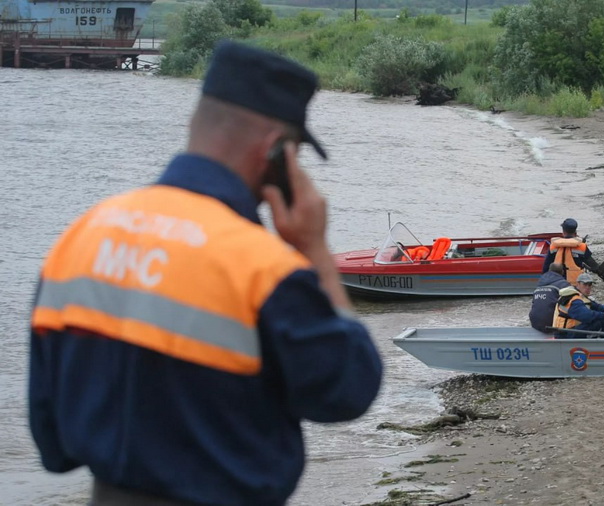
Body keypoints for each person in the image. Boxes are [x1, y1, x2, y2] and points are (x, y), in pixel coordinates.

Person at [28, 41, 383, 505]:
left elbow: (50, 440)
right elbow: (348, 388)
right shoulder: (263, 267)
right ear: (277, 151)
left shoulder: (81, 236)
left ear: (196, 124)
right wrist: (313, 248)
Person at [542, 218, 604, 284]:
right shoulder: (582, 247)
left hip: (557, 283)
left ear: (563, 232)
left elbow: (546, 267)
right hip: (576, 284)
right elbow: (593, 265)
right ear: (575, 233)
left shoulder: (553, 246)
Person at [552, 272, 604, 338]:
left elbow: (594, 305)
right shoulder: (573, 299)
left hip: (570, 330)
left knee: (600, 318)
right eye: (585, 284)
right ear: (578, 284)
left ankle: (598, 341)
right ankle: (597, 345)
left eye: (590, 284)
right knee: (599, 320)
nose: (588, 287)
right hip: (564, 334)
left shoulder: (579, 295)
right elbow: (586, 315)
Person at [529, 262, 572, 333]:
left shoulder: (540, 283)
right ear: (562, 272)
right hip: (551, 323)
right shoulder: (564, 284)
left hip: (535, 322)